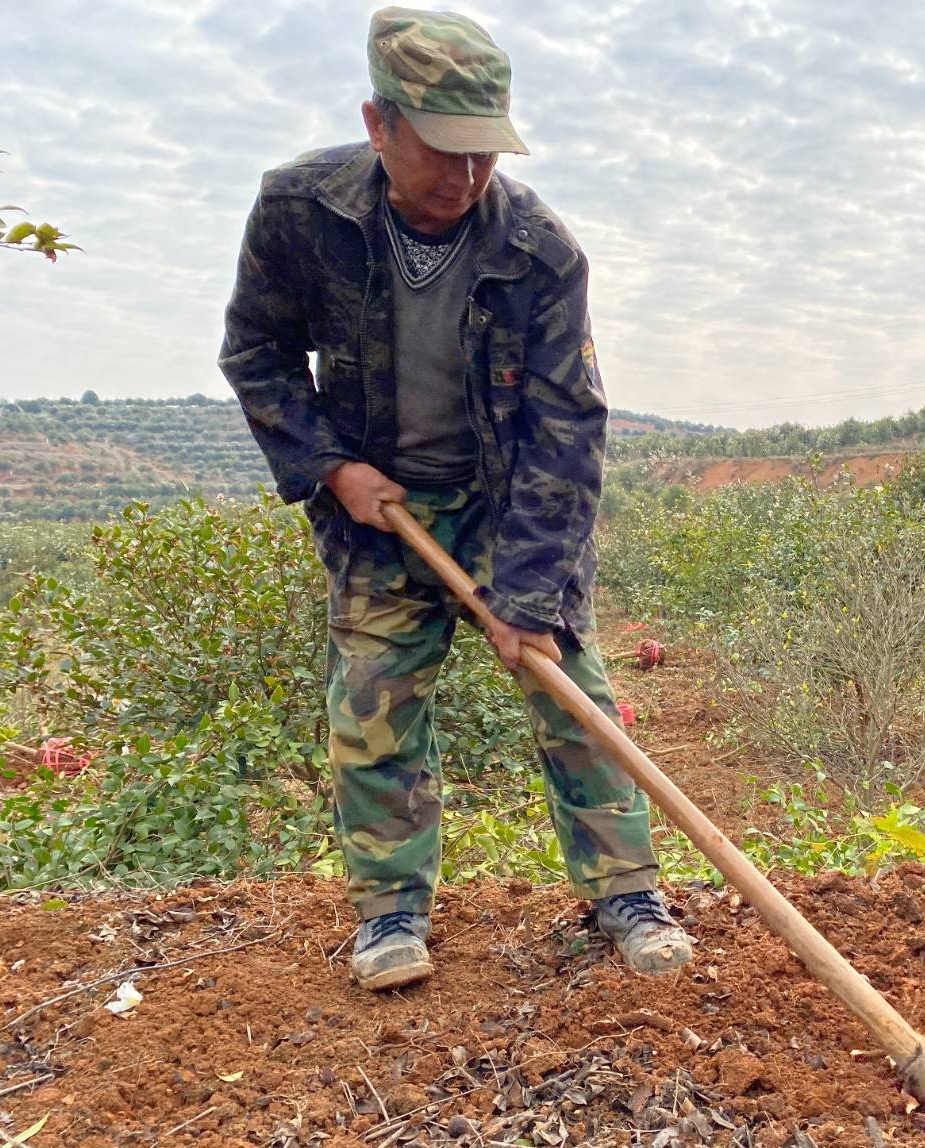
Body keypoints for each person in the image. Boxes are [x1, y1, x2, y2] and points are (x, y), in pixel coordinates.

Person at [219, 5, 692, 991]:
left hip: (505, 504)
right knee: (375, 702)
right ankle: (390, 914)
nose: (468, 177)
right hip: (376, 505)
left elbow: (567, 432)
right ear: (378, 123)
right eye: (443, 151)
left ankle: (627, 895)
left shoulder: (538, 249)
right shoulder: (302, 213)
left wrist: (527, 601)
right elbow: (256, 352)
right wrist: (329, 467)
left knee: (575, 695)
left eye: (486, 154)